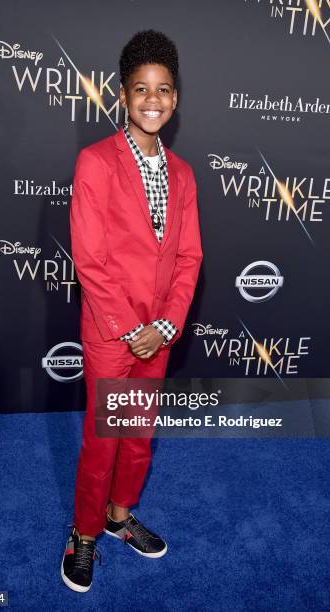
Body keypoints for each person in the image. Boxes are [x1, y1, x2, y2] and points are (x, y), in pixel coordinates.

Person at [61, 29, 203, 593]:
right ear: (122, 94)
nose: (153, 99)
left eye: (164, 89)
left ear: (175, 98)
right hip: (110, 332)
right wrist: (130, 329)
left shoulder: (185, 174)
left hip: (159, 335)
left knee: (139, 434)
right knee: (104, 440)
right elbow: (90, 260)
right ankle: (84, 534)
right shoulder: (95, 162)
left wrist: (164, 326)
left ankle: (119, 518)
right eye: (141, 88)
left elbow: (190, 256)